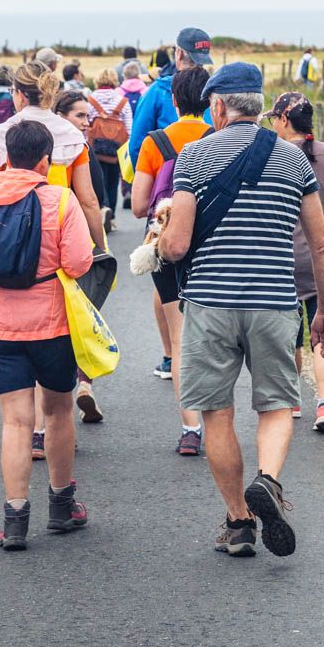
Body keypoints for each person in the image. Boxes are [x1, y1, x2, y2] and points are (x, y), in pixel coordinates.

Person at [157, 62, 324, 558]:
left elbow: (175, 246)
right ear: (261, 107)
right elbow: (322, 248)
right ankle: (269, 481)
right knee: (277, 405)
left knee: (216, 412)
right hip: (273, 303)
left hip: (211, 303)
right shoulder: (295, 162)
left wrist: (162, 238)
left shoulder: (193, 156)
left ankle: (239, 523)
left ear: (217, 106)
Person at [0, 120, 94, 550]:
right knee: (57, 411)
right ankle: (61, 505)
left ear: (7, 157)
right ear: (45, 161)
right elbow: (80, 262)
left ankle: (14, 520)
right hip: (51, 324)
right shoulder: (60, 199)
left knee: (16, 419)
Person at [0, 65, 107, 434]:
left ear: (17, 94)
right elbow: (89, 201)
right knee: (56, 335)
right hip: (62, 245)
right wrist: (97, 246)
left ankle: (31, 429)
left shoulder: (5, 136)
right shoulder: (70, 137)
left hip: (9, 248)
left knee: (17, 335)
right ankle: (55, 425)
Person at [132, 66, 214, 450]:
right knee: (214, 337)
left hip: (164, 243)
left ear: (175, 100)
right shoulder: (218, 138)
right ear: (211, 100)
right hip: (210, 244)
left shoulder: (155, 142)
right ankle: (219, 418)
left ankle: (190, 429)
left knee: (180, 340)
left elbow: (136, 206)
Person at [265, 93, 324, 434]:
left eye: (274, 118)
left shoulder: (274, 156)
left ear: (284, 119)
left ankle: (294, 398)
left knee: (289, 336)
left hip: (286, 255)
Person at [127, 27, 215, 170]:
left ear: (178, 53)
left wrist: (150, 182)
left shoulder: (158, 91)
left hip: (165, 183)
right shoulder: (216, 93)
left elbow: (137, 145)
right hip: (208, 181)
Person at [84, 70, 133, 231]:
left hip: (95, 149)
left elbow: (85, 124)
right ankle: (111, 217)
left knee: (99, 181)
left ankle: (102, 209)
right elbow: (129, 128)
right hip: (116, 150)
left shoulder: (90, 100)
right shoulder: (122, 101)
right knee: (113, 182)